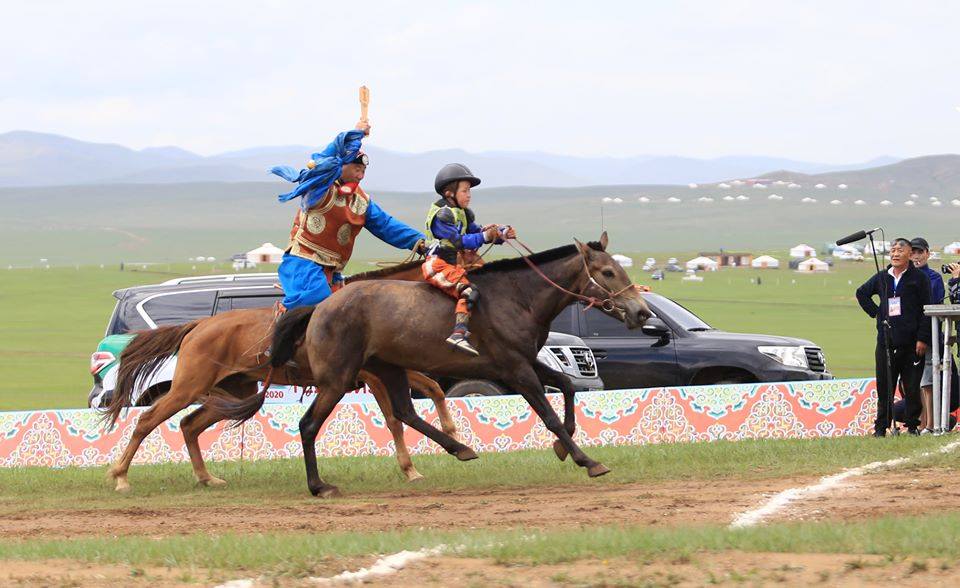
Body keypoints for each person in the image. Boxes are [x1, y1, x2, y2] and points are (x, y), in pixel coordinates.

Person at [269, 121, 426, 310]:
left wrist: (421, 243)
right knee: (317, 303)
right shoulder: (320, 188)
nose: (361, 176)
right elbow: (322, 159)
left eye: (363, 171)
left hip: (333, 271)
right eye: (357, 169)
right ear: (341, 166)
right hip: (304, 263)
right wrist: (356, 135)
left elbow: (387, 226)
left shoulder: (361, 202)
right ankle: (279, 336)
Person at [422, 163, 514, 356]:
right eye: (465, 191)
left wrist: (500, 233)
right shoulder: (442, 215)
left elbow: (476, 232)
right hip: (437, 264)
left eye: (469, 191)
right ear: (449, 193)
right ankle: (458, 334)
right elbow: (459, 241)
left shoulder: (464, 213)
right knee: (469, 291)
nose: (469, 195)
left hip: (453, 265)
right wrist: (486, 237)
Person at [856, 237, 932, 436]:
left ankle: (912, 426)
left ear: (909, 254)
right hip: (886, 341)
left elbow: (927, 309)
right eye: (893, 250)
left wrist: (922, 338)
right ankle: (881, 427)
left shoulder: (919, 278)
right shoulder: (883, 277)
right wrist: (877, 313)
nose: (896, 254)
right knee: (885, 386)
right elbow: (861, 293)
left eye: (901, 250)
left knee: (912, 387)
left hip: (912, 343)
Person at [910, 237, 945, 433]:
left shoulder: (933, 278)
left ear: (927, 253)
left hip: (929, 335)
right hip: (909, 336)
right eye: (913, 252)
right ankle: (920, 424)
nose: (916, 256)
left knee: (928, 382)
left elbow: (934, 305)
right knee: (914, 383)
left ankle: (930, 424)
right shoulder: (905, 276)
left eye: (919, 252)